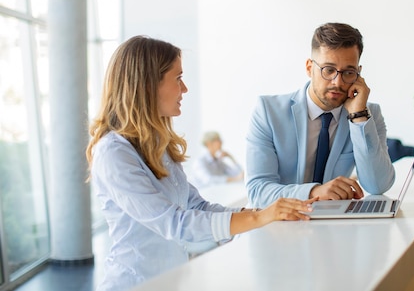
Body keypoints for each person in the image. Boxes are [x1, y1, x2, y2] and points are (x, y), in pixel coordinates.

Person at [85, 35, 314, 291]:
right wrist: (259, 218)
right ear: (149, 84)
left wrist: (260, 215)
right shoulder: (113, 153)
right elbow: (176, 223)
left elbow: (197, 206)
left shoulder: (156, 146)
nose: (185, 90)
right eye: (178, 78)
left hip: (170, 281)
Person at [246, 22, 396, 208]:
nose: (337, 82)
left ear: (358, 74)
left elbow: (378, 185)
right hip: (280, 226)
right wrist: (314, 192)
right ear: (309, 68)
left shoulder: (367, 114)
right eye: (329, 70)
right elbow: (257, 191)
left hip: (333, 226)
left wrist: (358, 117)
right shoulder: (268, 112)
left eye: (348, 72)